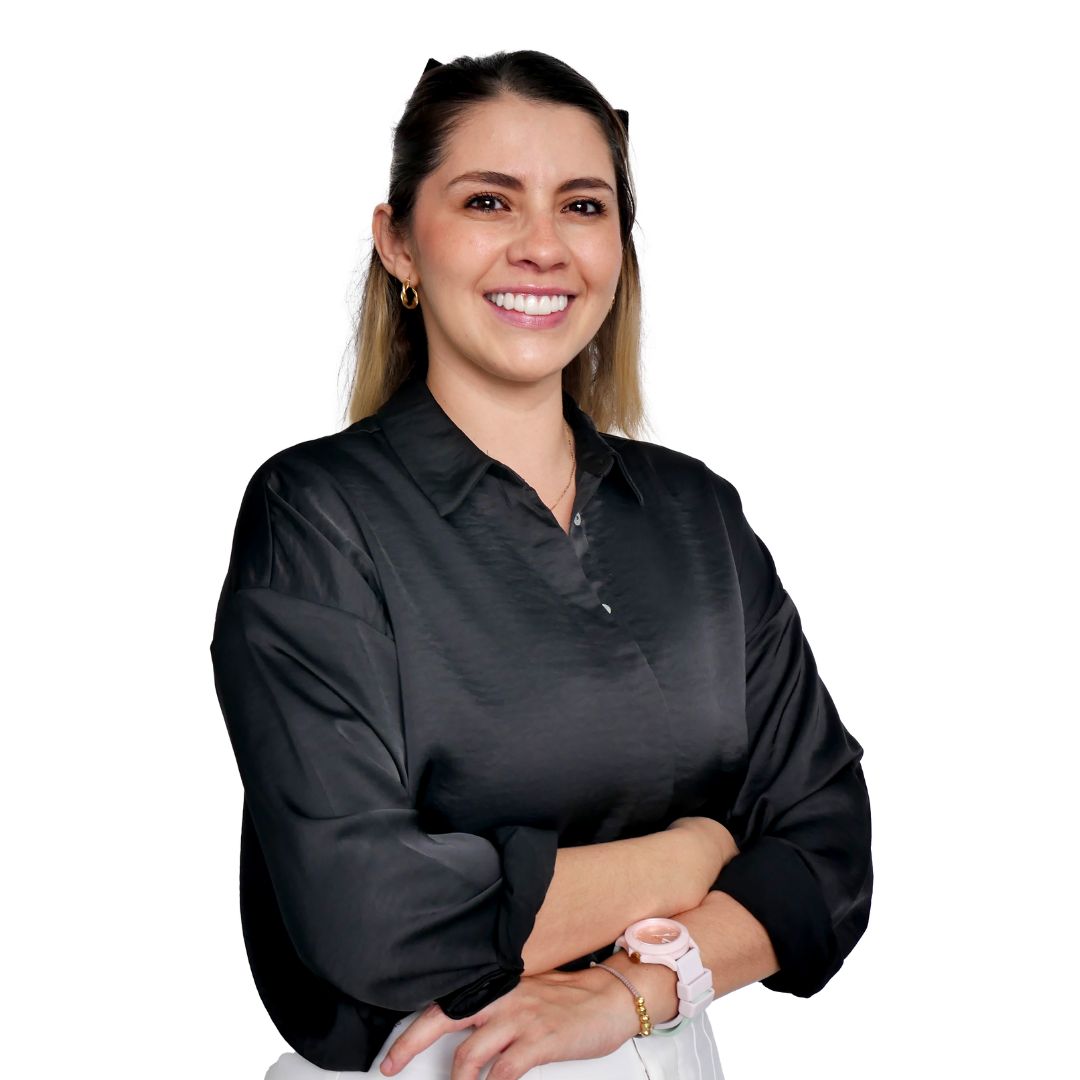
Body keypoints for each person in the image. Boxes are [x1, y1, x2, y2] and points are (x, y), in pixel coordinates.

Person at [209, 50, 873, 1080]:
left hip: (664, 1050)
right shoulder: (319, 517)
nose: (542, 246)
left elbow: (829, 850)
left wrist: (629, 991)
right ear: (398, 242)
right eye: (488, 201)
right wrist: (696, 852)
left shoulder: (696, 515)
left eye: (582, 206)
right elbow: (367, 912)